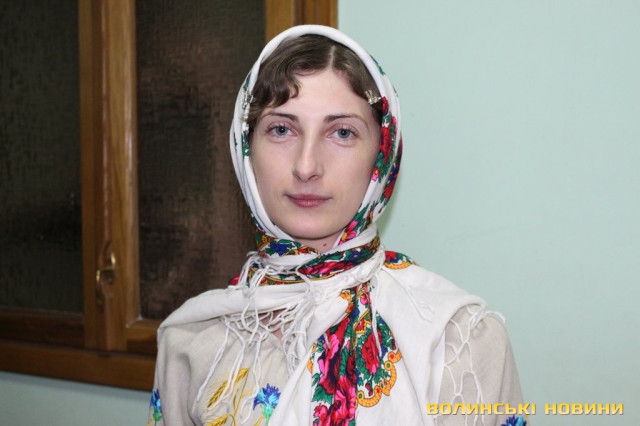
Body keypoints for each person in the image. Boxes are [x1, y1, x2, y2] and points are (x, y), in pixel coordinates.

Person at [148, 25, 525, 426]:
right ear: (246, 149)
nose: (306, 166)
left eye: (342, 132)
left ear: (382, 155)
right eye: (281, 129)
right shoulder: (191, 341)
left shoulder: (459, 340)